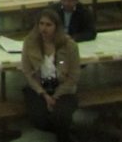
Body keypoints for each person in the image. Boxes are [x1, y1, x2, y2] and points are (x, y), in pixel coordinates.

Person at [22, 9, 80, 142]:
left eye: (48, 25)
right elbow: (27, 72)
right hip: (38, 88)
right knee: (39, 121)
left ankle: (65, 136)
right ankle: (69, 134)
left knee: (61, 116)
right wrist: (44, 95)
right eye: (41, 24)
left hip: (63, 89)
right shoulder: (30, 42)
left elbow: (74, 75)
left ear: (57, 27)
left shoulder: (69, 45)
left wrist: (56, 95)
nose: (44, 28)